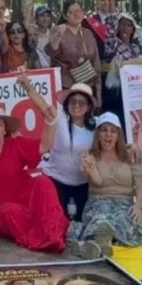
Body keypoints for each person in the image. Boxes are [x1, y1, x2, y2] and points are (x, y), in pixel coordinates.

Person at [0, 78, 67, 252]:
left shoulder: (15, 144)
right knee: (9, 211)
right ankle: (41, 240)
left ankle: (53, 236)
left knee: (43, 182)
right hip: (0, 210)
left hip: (26, 198)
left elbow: (45, 146)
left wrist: (50, 122)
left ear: (5, 130)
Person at [67, 113, 142, 258]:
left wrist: (138, 206)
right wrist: (90, 169)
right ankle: (102, 243)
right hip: (98, 201)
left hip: (124, 203)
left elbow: (140, 187)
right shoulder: (89, 155)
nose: (108, 135)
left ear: (119, 135)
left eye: (113, 131)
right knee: (102, 214)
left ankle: (96, 244)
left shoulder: (131, 154)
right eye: (104, 130)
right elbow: (97, 182)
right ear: (98, 134)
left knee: (122, 218)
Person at [42, 83, 96, 221]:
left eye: (81, 103)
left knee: (79, 225)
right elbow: (42, 105)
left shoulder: (96, 124)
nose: (76, 105)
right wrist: (28, 87)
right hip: (56, 181)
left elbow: (114, 135)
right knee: (59, 224)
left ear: (89, 107)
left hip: (82, 185)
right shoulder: (59, 118)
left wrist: (133, 145)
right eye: (73, 101)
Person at [47, 1, 103, 106]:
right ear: (65, 15)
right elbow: (51, 52)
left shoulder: (88, 33)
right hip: (66, 86)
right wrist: (58, 35)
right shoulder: (57, 30)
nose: (76, 15)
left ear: (83, 13)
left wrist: (98, 93)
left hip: (88, 85)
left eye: (78, 11)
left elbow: (96, 63)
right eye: (71, 12)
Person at [104, 14, 142, 121]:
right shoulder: (114, 43)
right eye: (123, 25)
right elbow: (110, 34)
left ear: (133, 30)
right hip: (116, 90)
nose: (125, 28)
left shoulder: (135, 48)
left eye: (129, 25)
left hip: (133, 89)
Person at [25, 3, 55, 67]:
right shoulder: (33, 33)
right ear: (36, 19)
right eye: (42, 16)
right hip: (35, 70)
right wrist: (29, 10)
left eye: (48, 16)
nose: (45, 19)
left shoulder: (53, 35)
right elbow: (25, 27)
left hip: (50, 71)